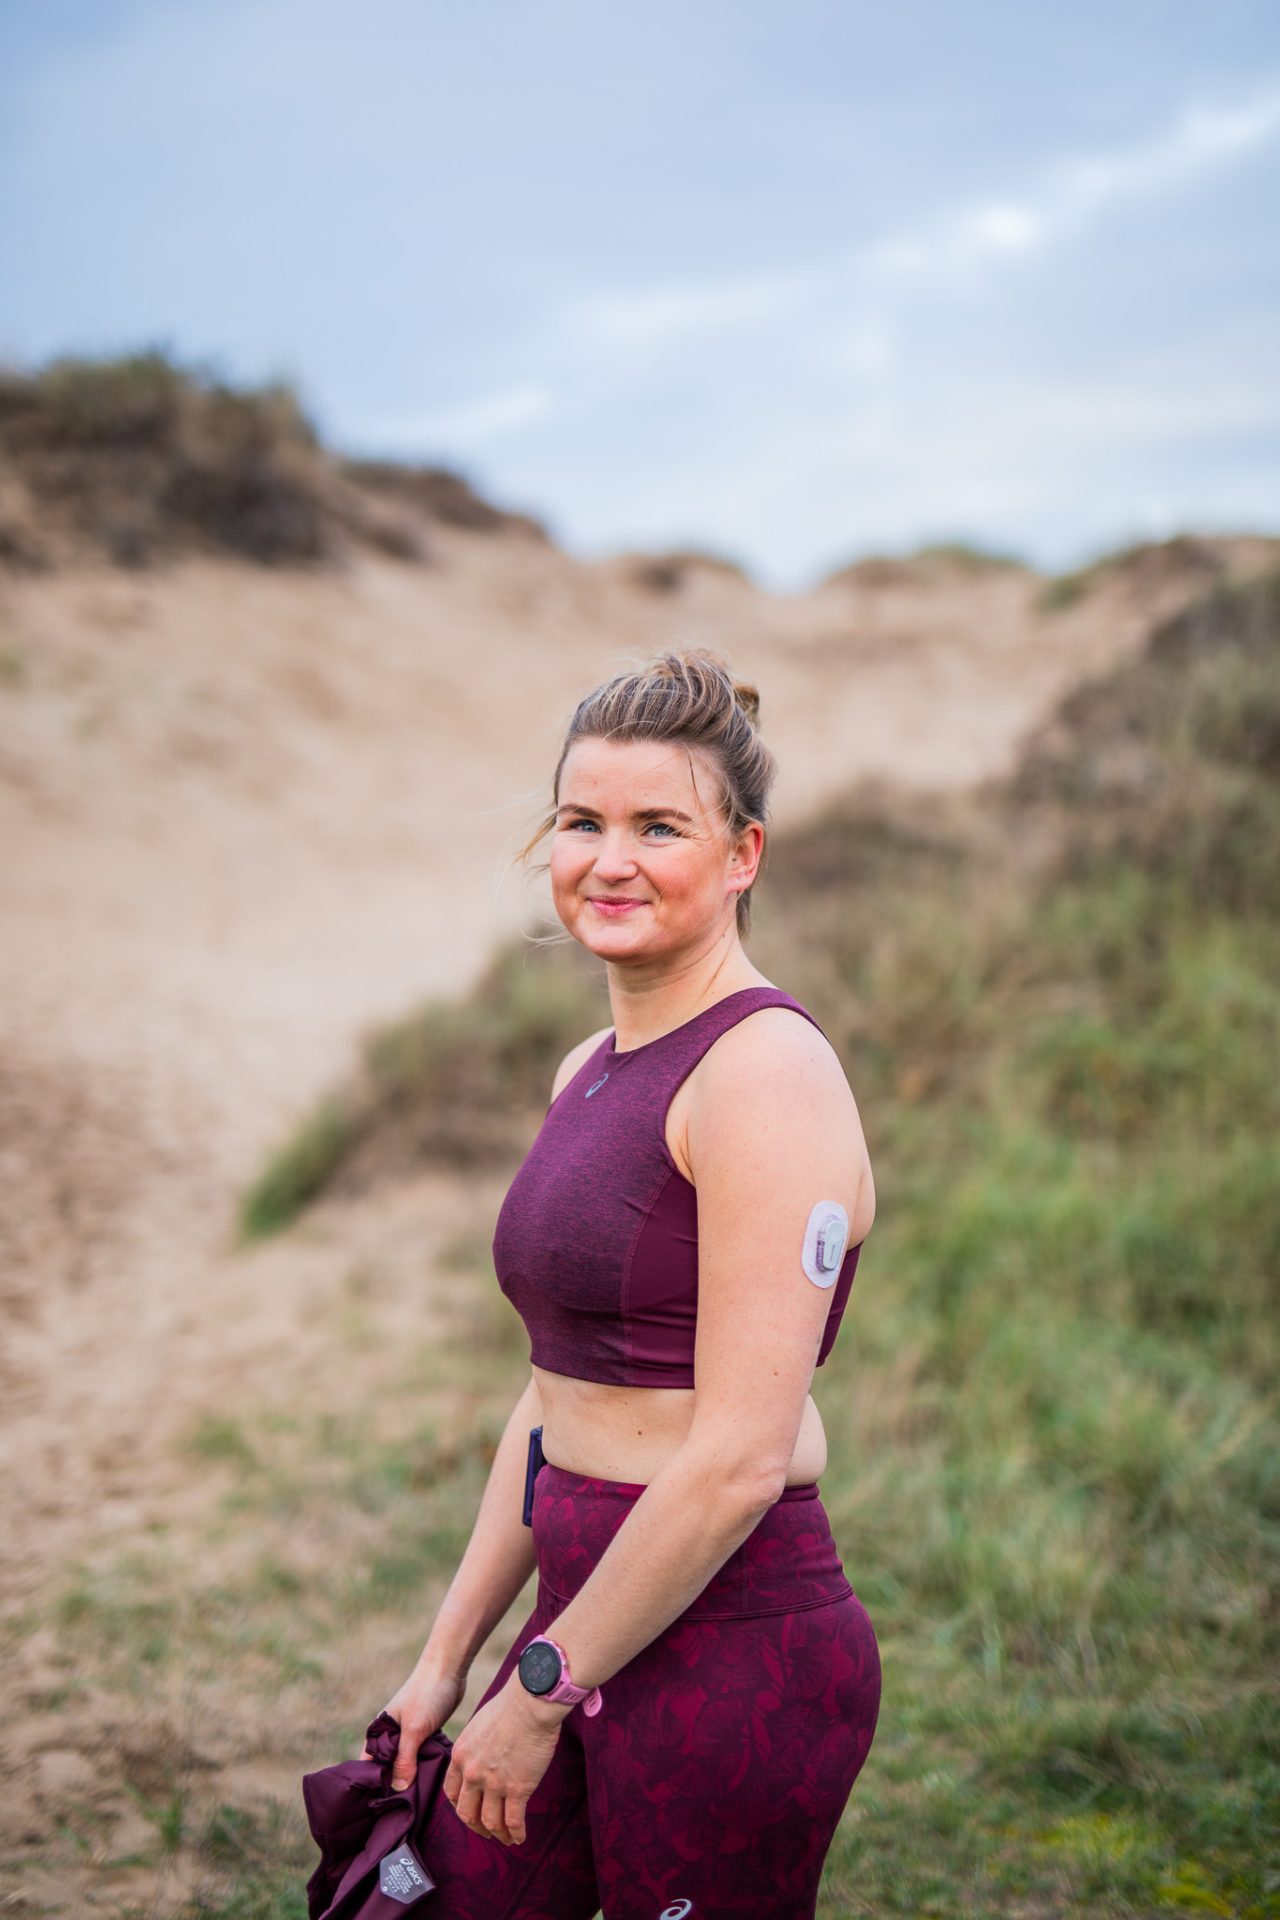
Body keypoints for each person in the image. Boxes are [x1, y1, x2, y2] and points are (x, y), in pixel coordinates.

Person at [363, 647, 881, 1919]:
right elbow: (549, 1407)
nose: (610, 859)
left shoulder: (764, 1075)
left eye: (659, 827)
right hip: (578, 1608)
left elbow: (739, 1459)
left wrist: (539, 1690)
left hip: (729, 1642)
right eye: (582, 822)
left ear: (743, 856)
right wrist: (448, 1663)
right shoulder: (586, 1064)